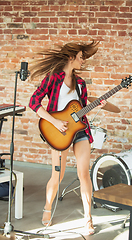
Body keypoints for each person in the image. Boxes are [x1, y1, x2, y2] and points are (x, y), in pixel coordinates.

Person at [29, 40, 106, 235]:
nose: (83, 61)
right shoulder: (53, 78)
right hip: (59, 132)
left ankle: (88, 218)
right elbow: (34, 102)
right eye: (80, 58)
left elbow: (82, 110)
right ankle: (48, 207)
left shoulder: (80, 83)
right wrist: (54, 122)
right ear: (71, 57)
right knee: (58, 175)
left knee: (83, 173)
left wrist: (96, 105)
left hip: (80, 131)